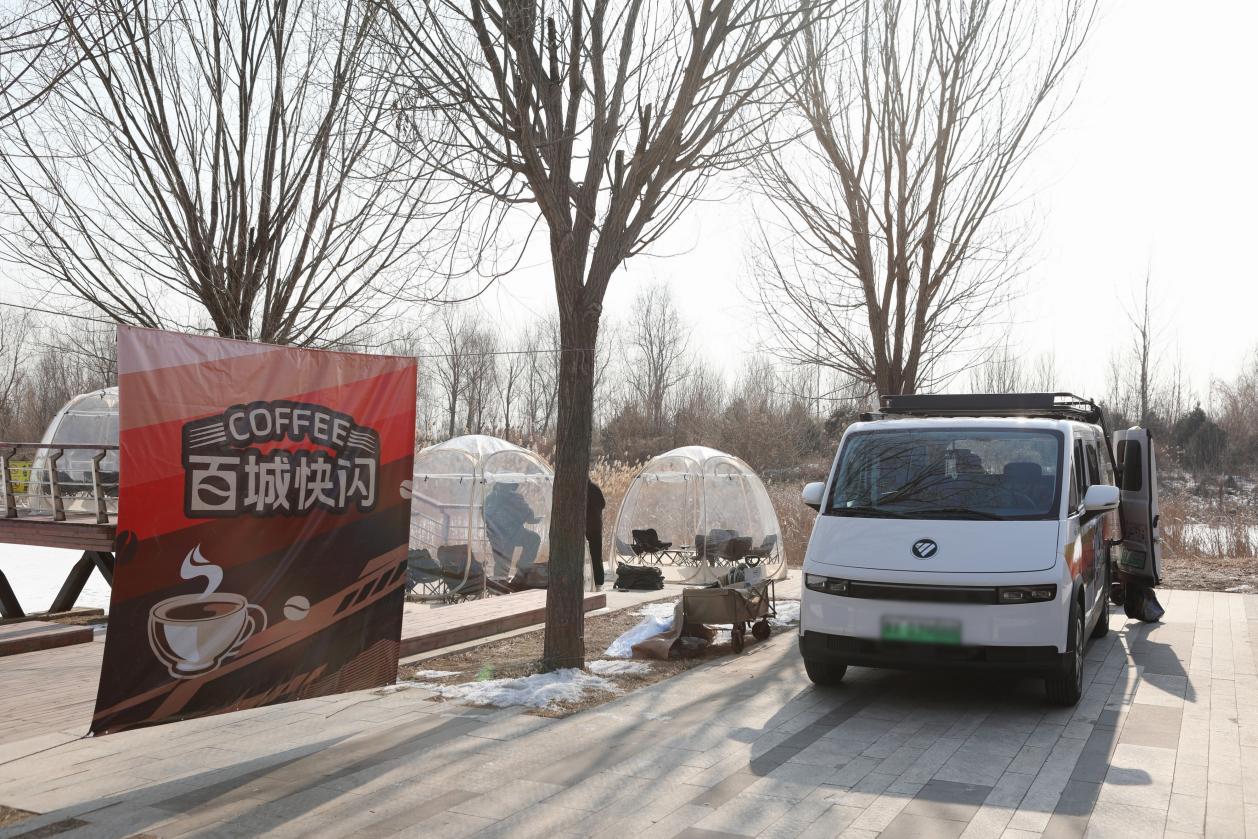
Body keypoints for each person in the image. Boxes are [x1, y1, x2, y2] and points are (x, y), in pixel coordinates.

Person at [483, 483, 541, 579]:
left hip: (498, 534)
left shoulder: (491, 497)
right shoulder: (514, 498)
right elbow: (528, 516)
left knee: (502, 560)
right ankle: (519, 573)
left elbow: (485, 516)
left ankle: (506, 580)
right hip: (509, 535)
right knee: (533, 539)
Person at [587, 479, 606, 589]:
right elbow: (603, 504)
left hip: (587, 526)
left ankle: (593, 580)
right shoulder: (595, 488)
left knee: (590, 555)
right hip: (596, 526)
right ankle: (599, 581)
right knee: (597, 555)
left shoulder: (582, 489)